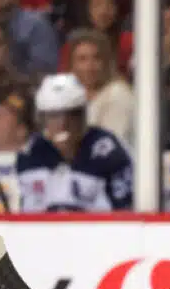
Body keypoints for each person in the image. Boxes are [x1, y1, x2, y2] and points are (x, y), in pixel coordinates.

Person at [16, 73, 133, 212]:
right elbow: (28, 216)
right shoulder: (30, 154)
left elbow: (125, 213)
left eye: (72, 114)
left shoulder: (108, 151)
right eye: (54, 115)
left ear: (83, 116)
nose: (62, 124)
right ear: (42, 120)